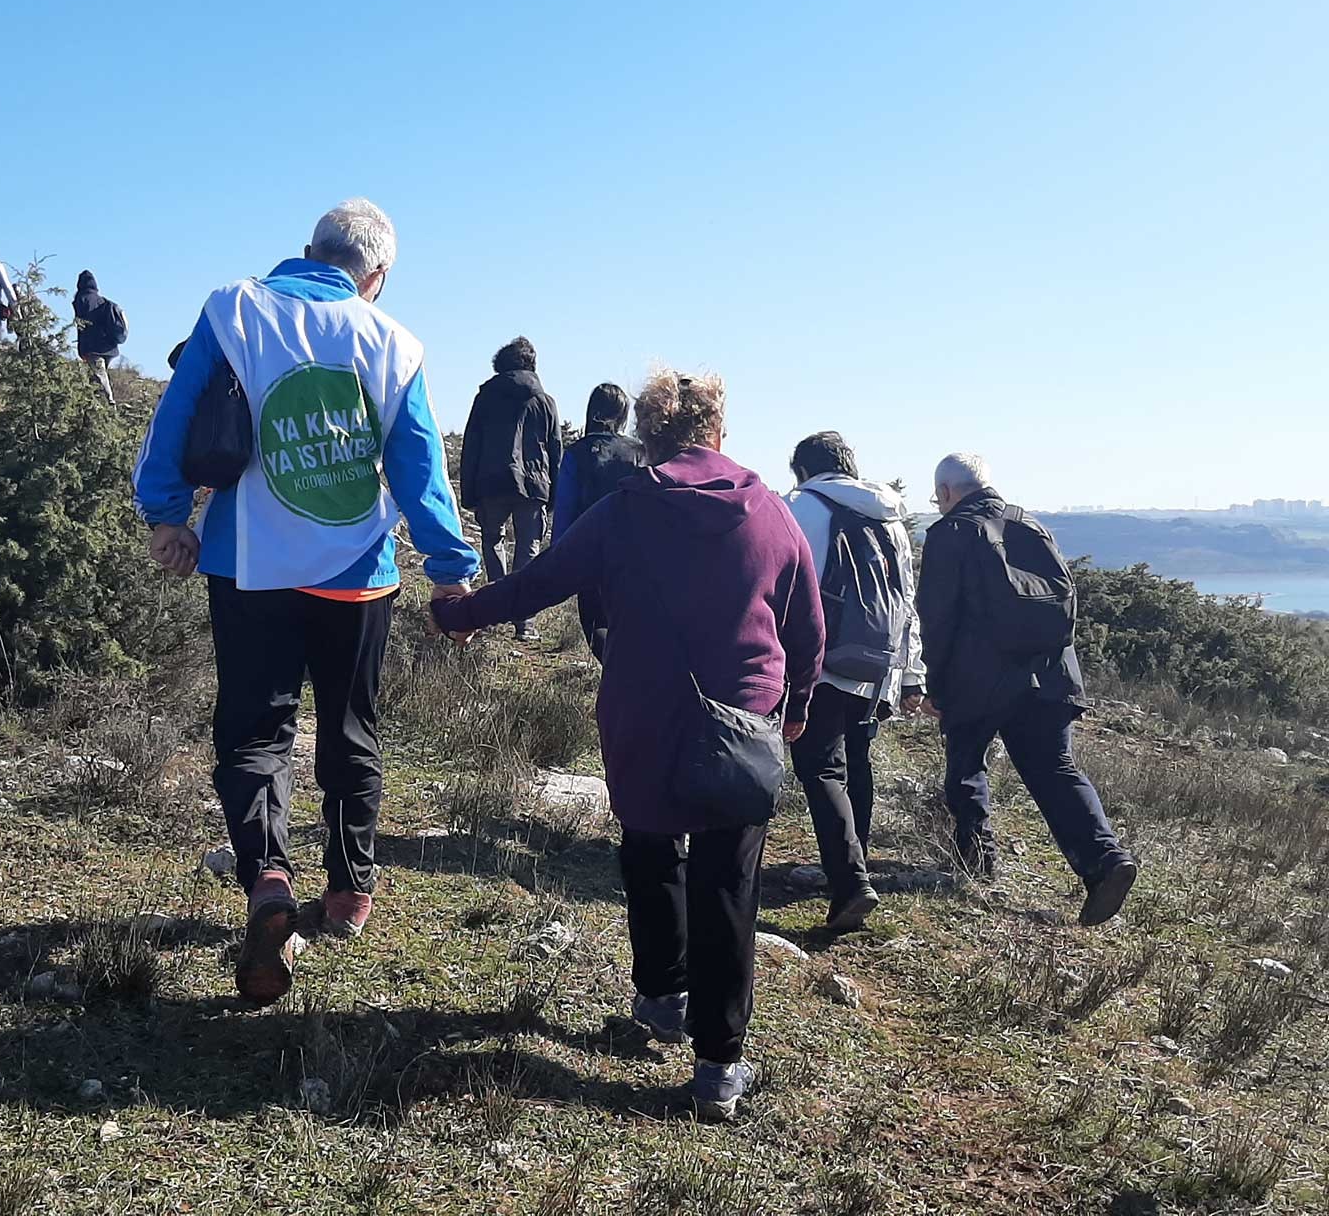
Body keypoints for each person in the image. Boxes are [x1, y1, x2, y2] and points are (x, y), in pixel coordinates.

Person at [430, 371, 824, 1122]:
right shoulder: (772, 514)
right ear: (719, 434)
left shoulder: (623, 512)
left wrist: (461, 615)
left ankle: (661, 995)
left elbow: (538, 582)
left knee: (649, 850)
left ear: (649, 438)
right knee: (727, 886)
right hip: (741, 724)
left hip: (643, 714)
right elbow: (807, 631)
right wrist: (796, 707)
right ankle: (718, 1068)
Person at [133, 199, 480, 1007]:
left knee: (254, 731)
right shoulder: (393, 342)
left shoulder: (235, 307)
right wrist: (452, 566)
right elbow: (420, 465)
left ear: (305, 252)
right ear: (377, 276)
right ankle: (351, 893)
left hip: (246, 565)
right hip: (356, 572)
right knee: (352, 728)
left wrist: (165, 515)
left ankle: (269, 878)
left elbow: (176, 413)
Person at [917, 453, 1139, 926]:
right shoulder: (1030, 525)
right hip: (1052, 674)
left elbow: (937, 619)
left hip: (978, 679)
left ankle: (975, 860)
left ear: (948, 492)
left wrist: (935, 684)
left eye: (937, 496)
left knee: (966, 763)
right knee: (1055, 770)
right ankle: (1105, 859)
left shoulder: (949, 534)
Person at [783, 432, 924, 931]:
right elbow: (905, 599)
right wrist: (909, 674)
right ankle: (852, 861)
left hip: (821, 658)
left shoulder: (800, 506)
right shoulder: (890, 518)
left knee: (820, 767)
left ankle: (848, 881)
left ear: (803, 469)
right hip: (876, 663)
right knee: (855, 763)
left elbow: (783, 582)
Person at [460, 336, 563, 641]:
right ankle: (525, 620)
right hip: (533, 485)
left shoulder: (485, 397)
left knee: (493, 541)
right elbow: (555, 451)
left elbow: (471, 446)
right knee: (528, 548)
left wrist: (469, 493)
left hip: (491, 482)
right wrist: (554, 496)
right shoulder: (545, 401)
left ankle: (494, 610)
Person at [550, 382, 645, 659]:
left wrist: (559, 560)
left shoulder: (577, 454)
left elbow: (565, 508)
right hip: (636, 556)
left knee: (596, 627)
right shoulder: (640, 453)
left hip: (590, 555)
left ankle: (619, 679)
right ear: (623, 414)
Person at [72, 269, 127, 403]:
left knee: (99, 376)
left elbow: (81, 323)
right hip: (108, 346)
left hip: (92, 347)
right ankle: (98, 406)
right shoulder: (102, 301)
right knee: (98, 376)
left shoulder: (82, 299)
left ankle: (109, 404)